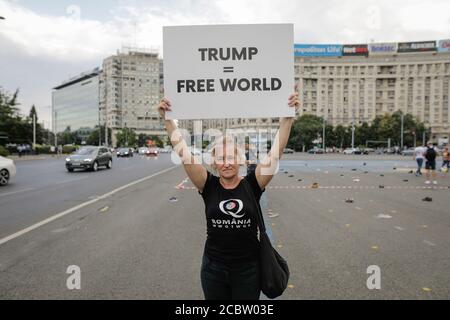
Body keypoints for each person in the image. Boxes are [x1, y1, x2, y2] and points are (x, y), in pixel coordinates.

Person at [158, 92, 299, 300]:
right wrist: (168, 120)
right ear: (214, 161)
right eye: (221, 158)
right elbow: (184, 153)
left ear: (240, 160)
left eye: (231, 157)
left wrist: (287, 118)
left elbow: (275, 152)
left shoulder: (253, 184)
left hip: (248, 270)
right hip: (213, 269)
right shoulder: (208, 185)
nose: (226, 162)